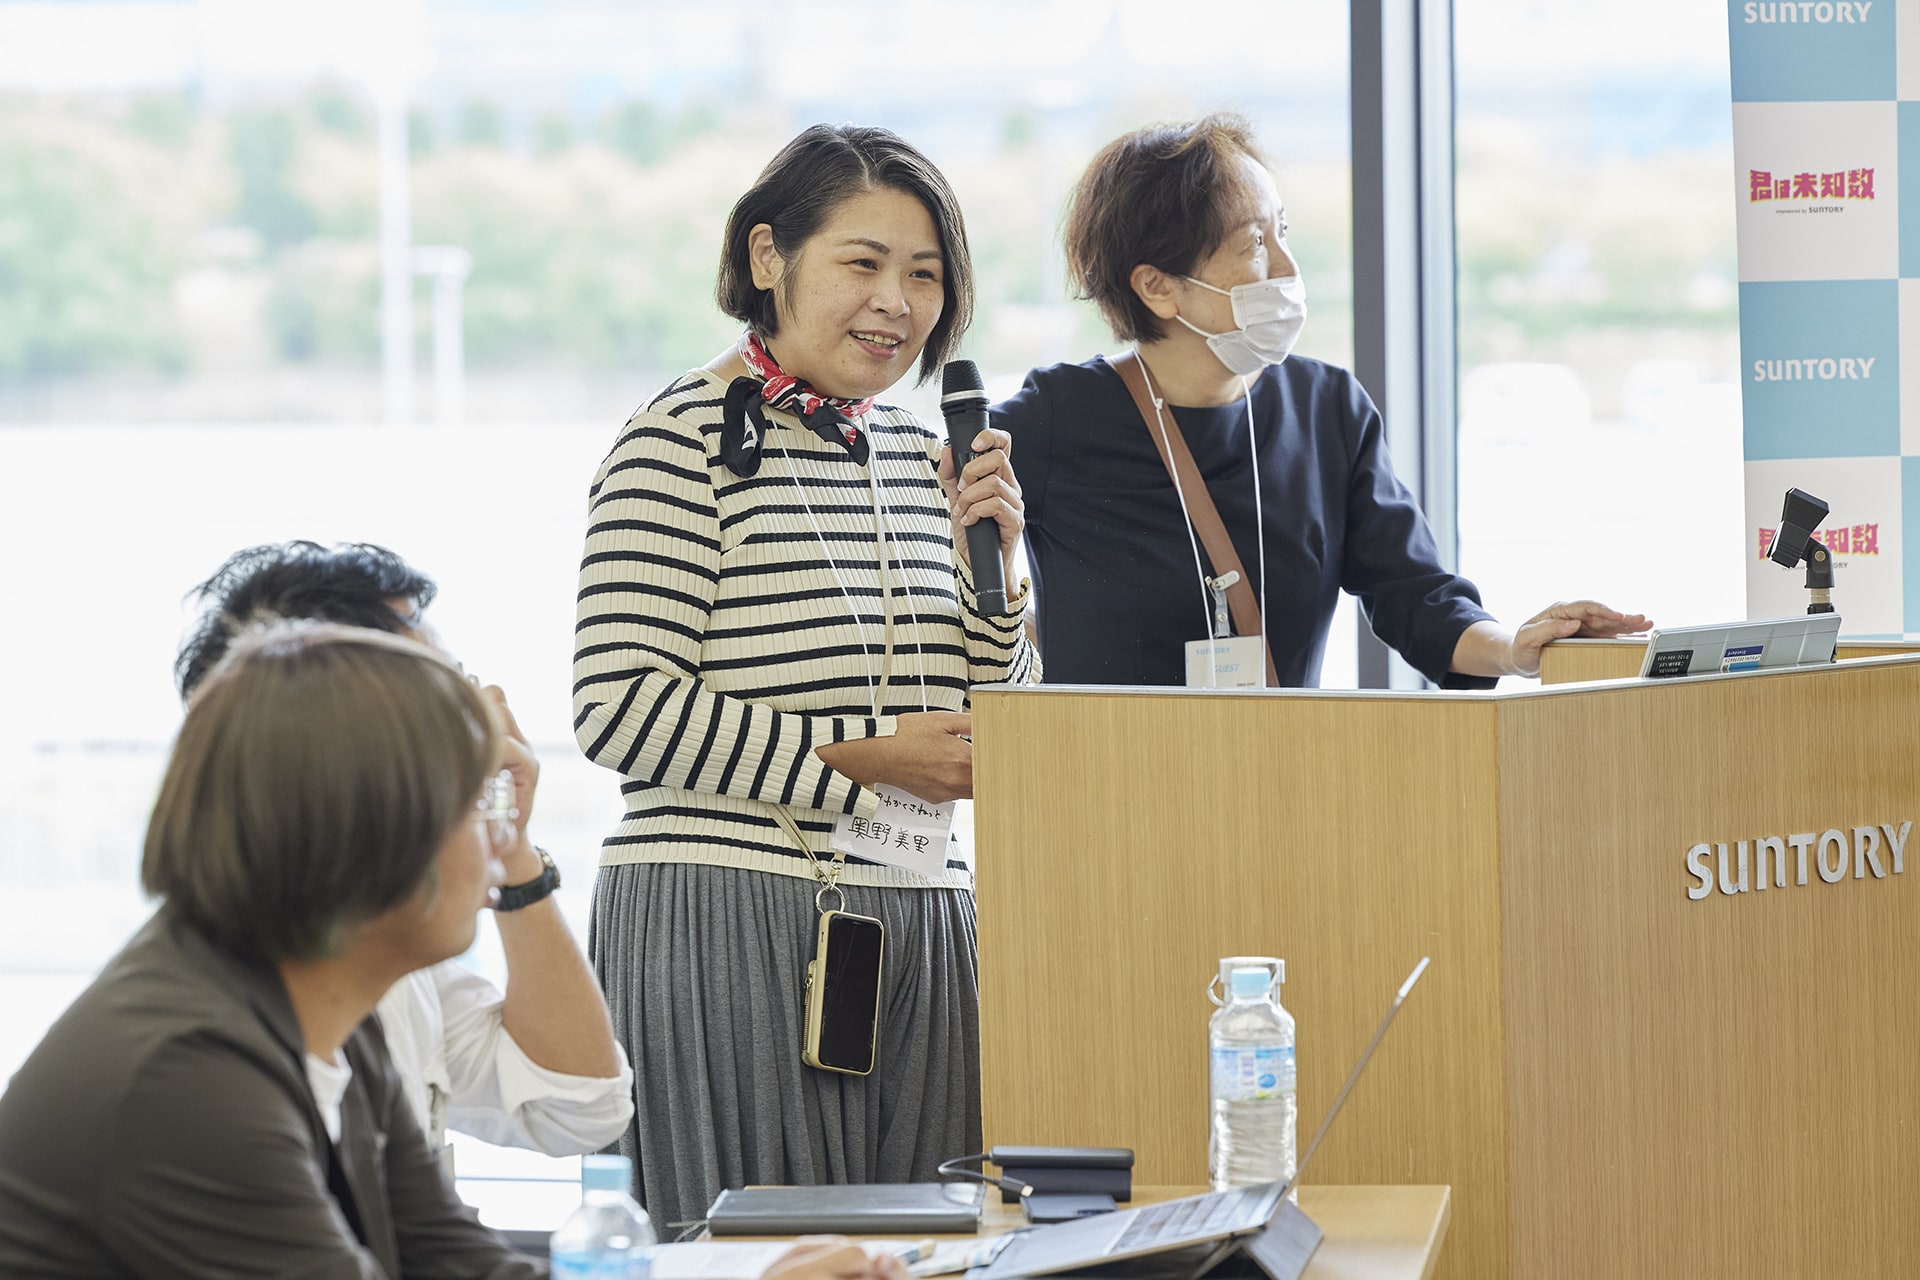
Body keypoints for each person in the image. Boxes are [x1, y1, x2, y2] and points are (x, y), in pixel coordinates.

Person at [572, 123, 1039, 1226]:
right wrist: (862, 763)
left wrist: (1001, 572)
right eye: (863, 263)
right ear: (770, 257)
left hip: (920, 906)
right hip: (725, 908)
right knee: (751, 1249)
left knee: (933, 1249)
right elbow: (618, 705)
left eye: (925, 275)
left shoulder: (924, 455)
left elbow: (1000, 716)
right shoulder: (678, 440)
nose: (896, 301)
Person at [993, 113, 1648, 688]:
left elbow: (1414, 597)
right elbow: (940, 541)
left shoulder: (1328, 410)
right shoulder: (1057, 418)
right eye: (1254, 243)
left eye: (1283, 232)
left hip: (1282, 793)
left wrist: (1515, 649)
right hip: (1099, 799)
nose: (1286, 267)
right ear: (1158, 286)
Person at [174, 540, 634, 1165]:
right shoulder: (217, 1044)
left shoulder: (388, 968)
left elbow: (583, 1108)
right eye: (441, 700)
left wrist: (509, 843)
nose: (476, 731)